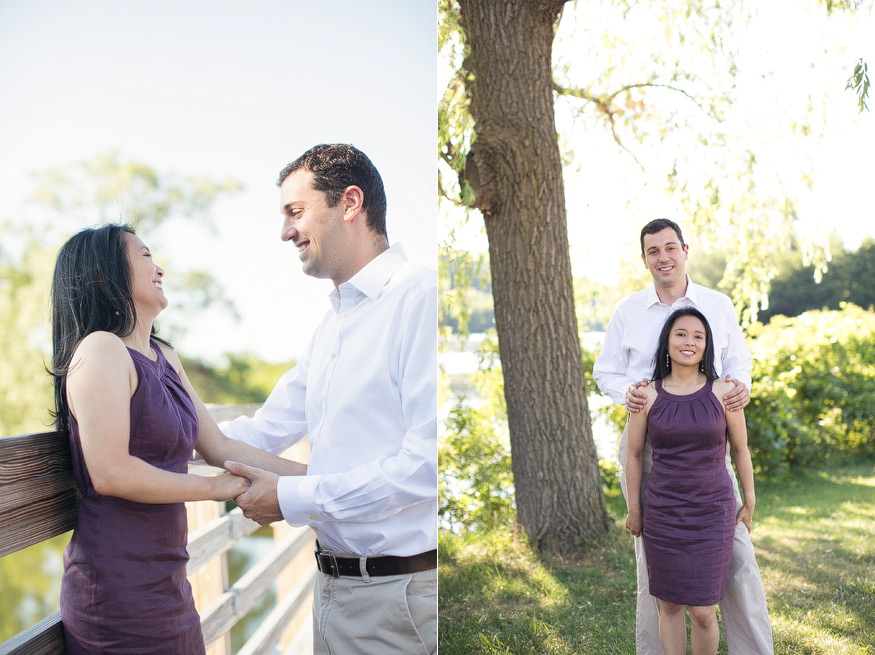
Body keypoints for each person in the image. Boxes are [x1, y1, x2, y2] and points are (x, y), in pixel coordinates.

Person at [215, 143, 438, 655]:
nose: (285, 231)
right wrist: (147, 425)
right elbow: (261, 431)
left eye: (296, 212)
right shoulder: (332, 325)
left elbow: (427, 466)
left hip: (397, 601)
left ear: (350, 203)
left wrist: (293, 497)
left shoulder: (421, 299)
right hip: (335, 590)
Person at [51, 223, 305, 654]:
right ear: (104, 274)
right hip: (117, 586)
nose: (160, 268)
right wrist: (211, 488)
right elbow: (111, 472)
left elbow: (220, 447)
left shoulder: (163, 355)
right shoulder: (99, 349)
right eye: (146, 256)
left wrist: (317, 480)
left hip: (169, 579)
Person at [593, 218, 773, 655]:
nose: (663, 257)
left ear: (685, 250)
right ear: (644, 259)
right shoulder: (628, 310)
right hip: (649, 434)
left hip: (708, 439)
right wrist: (633, 396)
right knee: (654, 569)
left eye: (670, 247)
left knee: (738, 557)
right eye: (653, 251)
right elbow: (606, 371)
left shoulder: (717, 304)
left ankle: (751, 649)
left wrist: (740, 385)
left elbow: (739, 362)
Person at [625, 307, 756, 655]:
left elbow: (741, 450)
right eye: (681, 334)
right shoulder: (645, 396)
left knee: (702, 612)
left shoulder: (725, 392)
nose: (689, 342)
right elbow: (634, 455)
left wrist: (750, 499)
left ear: (707, 345)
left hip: (712, 514)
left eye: (698, 336)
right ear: (667, 341)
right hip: (664, 515)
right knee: (669, 607)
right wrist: (634, 510)